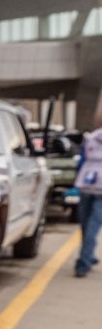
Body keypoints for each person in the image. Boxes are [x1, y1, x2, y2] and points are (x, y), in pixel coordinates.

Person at [74, 119, 102, 278]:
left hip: (86, 183)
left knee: (86, 224)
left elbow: (81, 161)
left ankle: (87, 256)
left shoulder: (91, 138)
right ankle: (84, 261)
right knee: (93, 225)